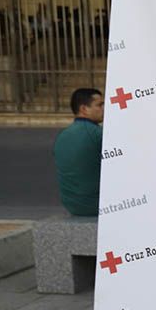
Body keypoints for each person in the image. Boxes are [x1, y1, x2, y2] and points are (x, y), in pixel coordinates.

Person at [52, 87, 104, 216]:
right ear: (83, 109)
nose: (104, 108)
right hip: (96, 204)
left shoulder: (62, 135)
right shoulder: (98, 134)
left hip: (71, 205)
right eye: (99, 105)